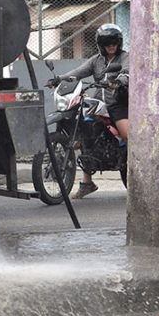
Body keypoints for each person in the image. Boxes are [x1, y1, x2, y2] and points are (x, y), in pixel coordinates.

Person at [46, 23, 129, 198]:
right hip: (98, 101)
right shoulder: (96, 60)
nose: (111, 45)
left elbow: (128, 72)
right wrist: (58, 79)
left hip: (119, 103)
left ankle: (139, 175)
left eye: (114, 42)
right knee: (85, 131)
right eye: (107, 42)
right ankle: (87, 183)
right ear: (101, 44)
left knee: (129, 137)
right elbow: (77, 73)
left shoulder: (125, 57)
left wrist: (120, 81)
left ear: (119, 42)